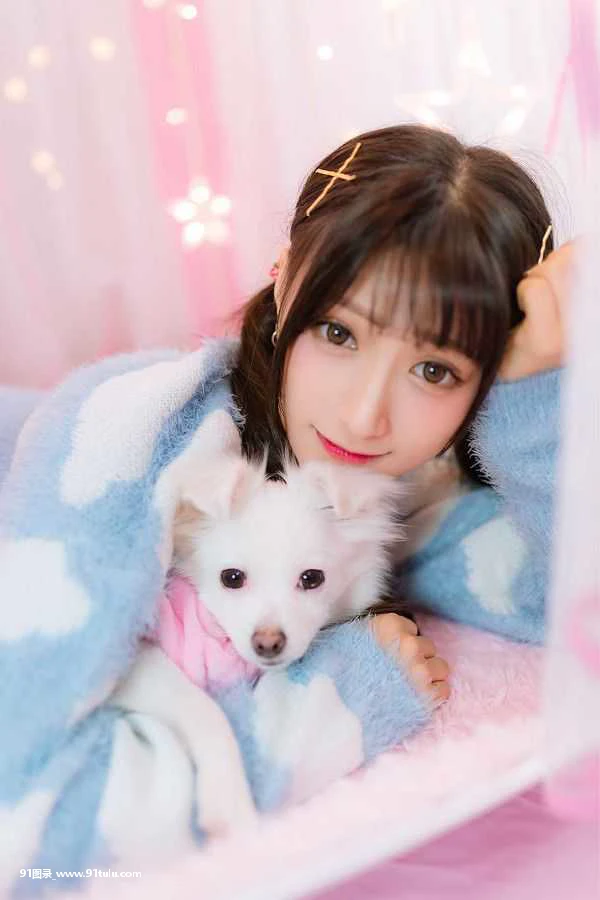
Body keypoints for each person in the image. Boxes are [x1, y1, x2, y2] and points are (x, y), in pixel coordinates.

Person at [0, 124, 575, 882]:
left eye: (434, 370)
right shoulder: (129, 436)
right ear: (283, 281)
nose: (364, 416)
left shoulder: (411, 489)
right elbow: (30, 822)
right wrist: (336, 702)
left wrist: (536, 394)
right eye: (339, 332)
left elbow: (568, 603)